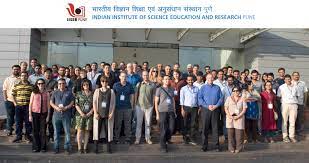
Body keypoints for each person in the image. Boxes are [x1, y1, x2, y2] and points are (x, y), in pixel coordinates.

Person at [198, 73, 224, 152]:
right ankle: (204, 146)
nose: (210, 79)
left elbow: (221, 98)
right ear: (206, 79)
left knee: (215, 128)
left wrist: (216, 105)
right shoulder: (202, 88)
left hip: (215, 110)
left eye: (212, 78)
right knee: (205, 128)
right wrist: (207, 106)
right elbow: (199, 98)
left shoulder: (217, 87)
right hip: (206, 110)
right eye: (208, 78)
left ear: (213, 79)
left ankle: (216, 146)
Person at [50, 79, 74, 154]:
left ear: (65, 84)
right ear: (58, 84)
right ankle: (56, 148)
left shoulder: (69, 93)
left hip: (66, 115)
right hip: (56, 115)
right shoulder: (54, 92)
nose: (61, 85)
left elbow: (72, 102)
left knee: (67, 132)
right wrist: (56, 108)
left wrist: (66, 107)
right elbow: (51, 102)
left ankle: (67, 148)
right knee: (56, 132)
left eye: (63, 83)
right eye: (60, 83)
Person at [93, 76, 115, 153]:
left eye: (106, 81)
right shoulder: (97, 91)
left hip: (108, 114)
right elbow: (94, 102)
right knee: (97, 131)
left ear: (107, 82)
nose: (104, 83)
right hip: (98, 114)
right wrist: (95, 113)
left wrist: (111, 113)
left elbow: (113, 103)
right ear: (100, 82)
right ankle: (96, 148)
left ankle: (109, 148)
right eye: (103, 81)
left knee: (108, 131)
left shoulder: (111, 91)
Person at [134, 71, 156, 145]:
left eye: (146, 75)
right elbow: (136, 95)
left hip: (149, 107)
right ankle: (137, 139)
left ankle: (148, 139)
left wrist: (152, 105)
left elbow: (154, 96)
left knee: (148, 124)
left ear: (148, 76)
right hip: (139, 106)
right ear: (142, 76)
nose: (145, 76)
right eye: (144, 75)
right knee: (139, 124)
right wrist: (135, 104)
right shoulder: (139, 84)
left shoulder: (152, 85)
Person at [155, 75, 176, 153]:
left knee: (171, 128)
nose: (167, 80)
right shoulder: (159, 89)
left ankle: (166, 139)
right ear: (163, 81)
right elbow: (156, 102)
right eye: (166, 79)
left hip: (171, 111)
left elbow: (173, 100)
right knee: (163, 129)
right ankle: (163, 146)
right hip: (162, 111)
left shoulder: (171, 89)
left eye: (168, 79)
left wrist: (174, 111)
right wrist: (157, 114)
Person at [113, 72, 135, 144]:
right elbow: (113, 96)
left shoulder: (130, 85)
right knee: (118, 124)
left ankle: (128, 138)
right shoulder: (116, 85)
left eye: (125, 76)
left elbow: (132, 96)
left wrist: (132, 106)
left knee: (127, 124)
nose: (124, 78)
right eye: (122, 76)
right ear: (119, 77)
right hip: (118, 107)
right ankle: (116, 138)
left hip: (127, 107)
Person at [29, 78, 50, 152]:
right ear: (37, 84)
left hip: (43, 114)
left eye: (42, 83)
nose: (40, 85)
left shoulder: (47, 93)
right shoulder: (34, 93)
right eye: (39, 83)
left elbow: (48, 106)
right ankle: (36, 147)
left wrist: (48, 116)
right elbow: (30, 104)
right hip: (35, 114)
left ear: (44, 84)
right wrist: (30, 115)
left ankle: (43, 147)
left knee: (43, 131)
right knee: (35, 131)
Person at [11, 71, 33, 143]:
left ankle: (28, 136)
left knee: (28, 122)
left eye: (25, 76)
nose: (24, 77)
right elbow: (13, 95)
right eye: (22, 76)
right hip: (19, 106)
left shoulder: (31, 86)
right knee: (18, 122)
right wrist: (15, 103)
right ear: (20, 77)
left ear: (27, 76)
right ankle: (18, 136)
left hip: (27, 107)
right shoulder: (16, 85)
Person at [224, 86, 247, 153]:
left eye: (237, 91)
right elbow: (226, 107)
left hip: (239, 118)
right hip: (230, 118)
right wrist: (229, 115)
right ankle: (231, 148)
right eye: (234, 91)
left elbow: (244, 109)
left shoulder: (242, 99)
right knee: (230, 135)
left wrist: (238, 116)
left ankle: (239, 148)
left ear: (239, 92)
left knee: (239, 135)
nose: (235, 92)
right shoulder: (229, 98)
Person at [277, 74, 299, 143]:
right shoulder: (281, 87)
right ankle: (285, 137)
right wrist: (282, 102)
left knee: (292, 122)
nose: (288, 80)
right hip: (285, 105)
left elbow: (297, 96)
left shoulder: (295, 87)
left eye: (289, 79)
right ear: (284, 80)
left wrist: (295, 104)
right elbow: (278, 97)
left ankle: (292, 136)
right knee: (284, 121)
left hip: (294, 105)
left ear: (290, 79)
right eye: (286, 79)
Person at [75, 79, 94, 154]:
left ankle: (85, 147)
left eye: (87, 84)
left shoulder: (92, 94)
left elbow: (94, 105)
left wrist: (90, 113)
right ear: (82, 86)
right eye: (84, 84)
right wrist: (81, 113)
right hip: (80, 115)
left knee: (87, 131)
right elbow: (76, 104)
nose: (86, 86)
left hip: (89, 115)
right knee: (80, 131)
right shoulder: (78, 93)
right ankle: (80, 148)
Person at [180, 75, 199, 145]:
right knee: (185, 123)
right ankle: (185, 138)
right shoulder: (183, 89)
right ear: (187, 81)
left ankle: (192, 138)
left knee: (193, 123)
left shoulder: (197, 89)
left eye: (191, 80)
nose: (190, 81)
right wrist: (182, 109)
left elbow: (198, 99)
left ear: (193, 80)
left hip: (194, 108)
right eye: (189, 80)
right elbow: (181, 99)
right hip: (186, 107)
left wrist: (199, 107)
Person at [3, 65, 21, 136]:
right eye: (14, 69)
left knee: (18, 117)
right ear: (12, 70)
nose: (16, 70)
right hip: (9, 100)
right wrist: (5, 99)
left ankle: (18, 131)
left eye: (17, 69)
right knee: (10, 116)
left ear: (19, 70)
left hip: (19, 101)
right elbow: (4, 89)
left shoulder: (21, 79)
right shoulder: (8, 79)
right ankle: (9, 130)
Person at [44, 68, 57, 142]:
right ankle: (43, 135)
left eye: (49, 73)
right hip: (43, 103)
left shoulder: (55, 82)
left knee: (51, 120)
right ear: (44, 73)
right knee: (43, 120)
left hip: (52, 103)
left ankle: (51, 135)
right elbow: (39, 90)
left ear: (51, 74)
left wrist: (47, 91)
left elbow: (54, 91)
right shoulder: (41, 81)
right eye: (46, 73)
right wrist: (49, 91)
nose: (48, 74)